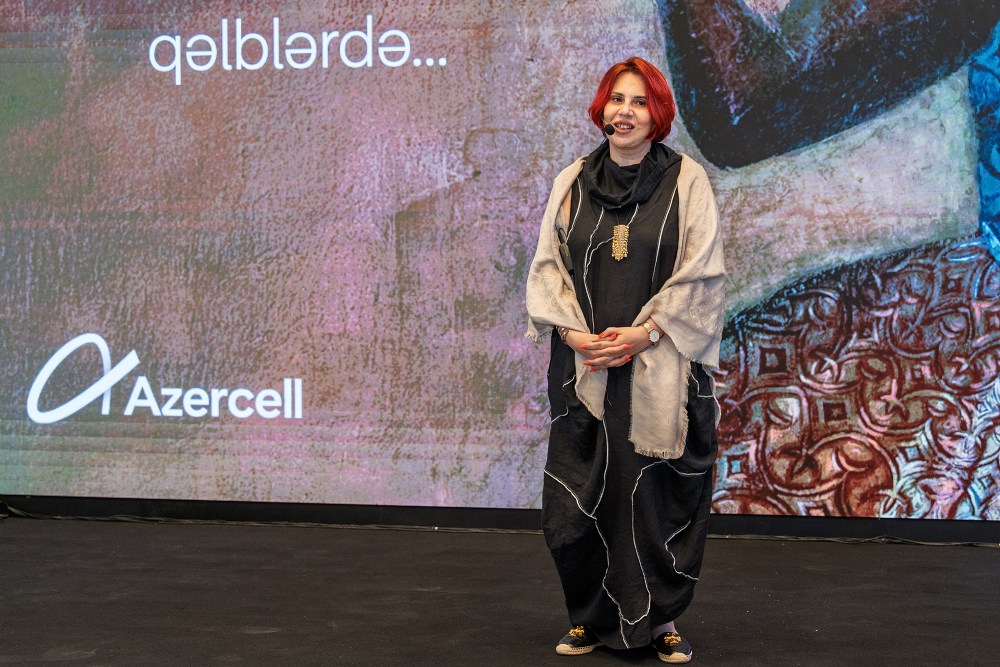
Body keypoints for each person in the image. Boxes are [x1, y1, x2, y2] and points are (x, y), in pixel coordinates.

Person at [525, 57, 726, 662]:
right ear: (602, 108)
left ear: (657, 113)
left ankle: (660, 622)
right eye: (617, 99)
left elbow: (702, 274)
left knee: (652, 499)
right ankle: (588, 619)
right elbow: (547, 268)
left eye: (639, 102)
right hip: (585, 369)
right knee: (577, 501)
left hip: (660, 371)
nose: (625, 112)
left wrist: (644, 334)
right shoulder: (571, 180)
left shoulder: (687, 180)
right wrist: (573, 335)